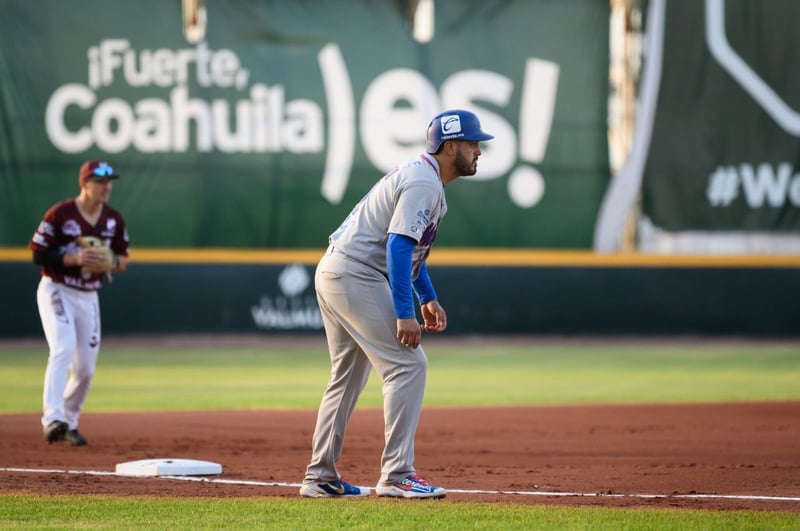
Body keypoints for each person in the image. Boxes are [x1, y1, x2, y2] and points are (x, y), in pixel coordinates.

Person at [300, 109, 493, 499]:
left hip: (337, 270)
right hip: (356, 273)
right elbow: (398, 246)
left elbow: (411, 252)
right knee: (408, 365)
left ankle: (320, 476)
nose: (478, 151)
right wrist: (405, 313)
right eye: (473, 143)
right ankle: (397, 475)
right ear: (449, 146)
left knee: (348, 377)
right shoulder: (424, 181)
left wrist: (428, 296)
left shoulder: (424, 177)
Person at [29, 160, 130, 447]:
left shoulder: (113, 220)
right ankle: (52, 418)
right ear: (84, 183)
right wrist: (72, 259)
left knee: (85, 368)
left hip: (88, 295)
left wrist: (109, 262)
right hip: (57, 289)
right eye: (100, 181)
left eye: (109, 181)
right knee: (62, 346)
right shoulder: (61, 214)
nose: (106, 187)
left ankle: (69, 422)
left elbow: (123, 259)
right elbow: (38, 254)